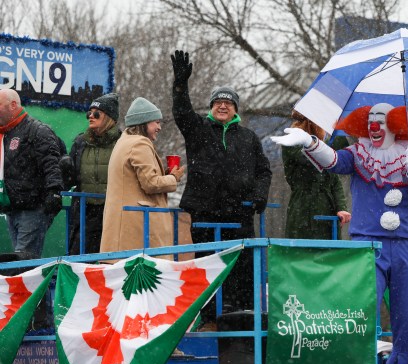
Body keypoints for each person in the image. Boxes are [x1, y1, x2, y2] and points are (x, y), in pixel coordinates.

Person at [271, 103, 408, 364]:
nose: (375, 127)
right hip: (369, 244)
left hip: (406, 244)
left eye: (381, 121)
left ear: (395, 124)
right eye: (370, 121)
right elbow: (334, 162)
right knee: (360, 314)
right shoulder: (360, 154)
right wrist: (309, 142)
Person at [170, 50, 272, 328]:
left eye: (228, 102)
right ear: (212, 107)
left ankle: (242, 321)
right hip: (206, 212)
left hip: (239, 214)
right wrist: (180, 85)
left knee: (242, 268)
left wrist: (260, 195)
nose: (223, 106)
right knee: (208, 266)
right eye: (218, 102)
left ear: (236, 109)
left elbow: (264, 171)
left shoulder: (249, 137)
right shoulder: (199, 129)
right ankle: (210, 319)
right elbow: (181, 112)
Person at [100, 97, 185, 254]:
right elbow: (151, 184)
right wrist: (173, 178)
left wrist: (163, 175)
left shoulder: (124, 141)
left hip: (122, 232)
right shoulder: (140, 143)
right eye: (156, 122)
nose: (159, 127)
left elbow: (136, 180)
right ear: (143, 123)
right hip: (137, 233)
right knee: (147, 276)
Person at [0, 88, 65, 258]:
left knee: (24, 260)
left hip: (33, 208)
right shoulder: (4, 134)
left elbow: (51, 164)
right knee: (20, 260)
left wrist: (54, 192)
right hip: (12, 209)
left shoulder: (38, 131)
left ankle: (30, 284)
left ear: (13, 105)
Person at [60, 93, 121, 255]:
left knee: (110, 261)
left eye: (96, 114)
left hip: (112, 212)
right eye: (89, 113)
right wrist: (65, 169)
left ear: (109, 117)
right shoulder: (81, 142)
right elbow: (70, 181)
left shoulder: (123, 142)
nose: (90, 117)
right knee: (77, 259)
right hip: (84, 212)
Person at [282, 110, 351, 239]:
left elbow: (335, 181)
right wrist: (336, 139)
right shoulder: (292, 139)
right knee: (302, 251)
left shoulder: (327, 142)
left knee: (330, 252)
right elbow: (311, 158)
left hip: (327, 206)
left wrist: (341, 207)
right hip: (302, 206)